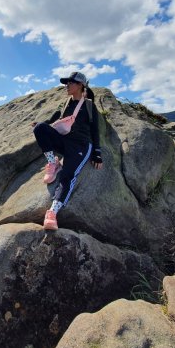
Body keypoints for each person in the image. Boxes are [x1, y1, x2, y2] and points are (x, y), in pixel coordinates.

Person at [32, 71, 103, 230]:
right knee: (39, 128)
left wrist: (97, 153)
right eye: (66, 83)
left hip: (81, 146)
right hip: (64, 140)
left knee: (68, 176)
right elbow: (56, 119)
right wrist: (41, 124)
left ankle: (52, 213)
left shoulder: (89, 106)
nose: (67, 86)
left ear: (80, 85)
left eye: (70, 83)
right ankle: (53, 163)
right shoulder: (66, 103)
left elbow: (95, 130)